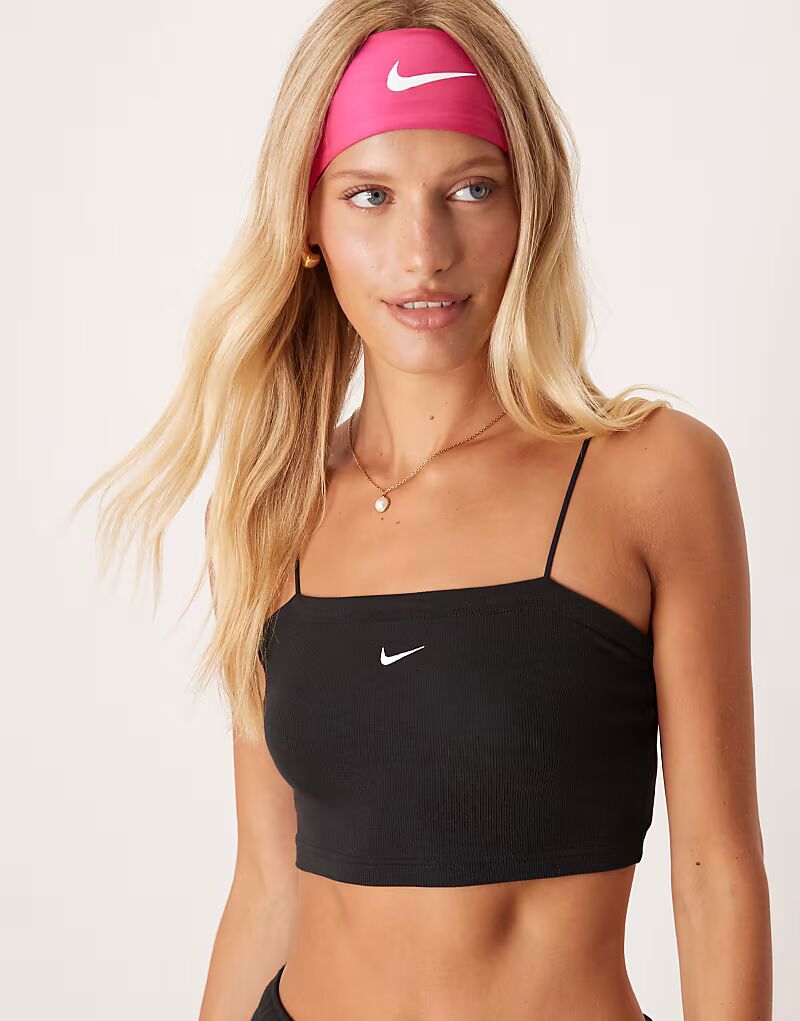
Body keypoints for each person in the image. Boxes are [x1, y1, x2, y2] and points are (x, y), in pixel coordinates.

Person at [74, 2, 772, 1019]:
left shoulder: (651, 476)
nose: (423, 251)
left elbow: (714, 872)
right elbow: (267, 882)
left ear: (528, 208)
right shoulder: (272, 503)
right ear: (308, 226)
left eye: (470, 189)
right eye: (369, 196)